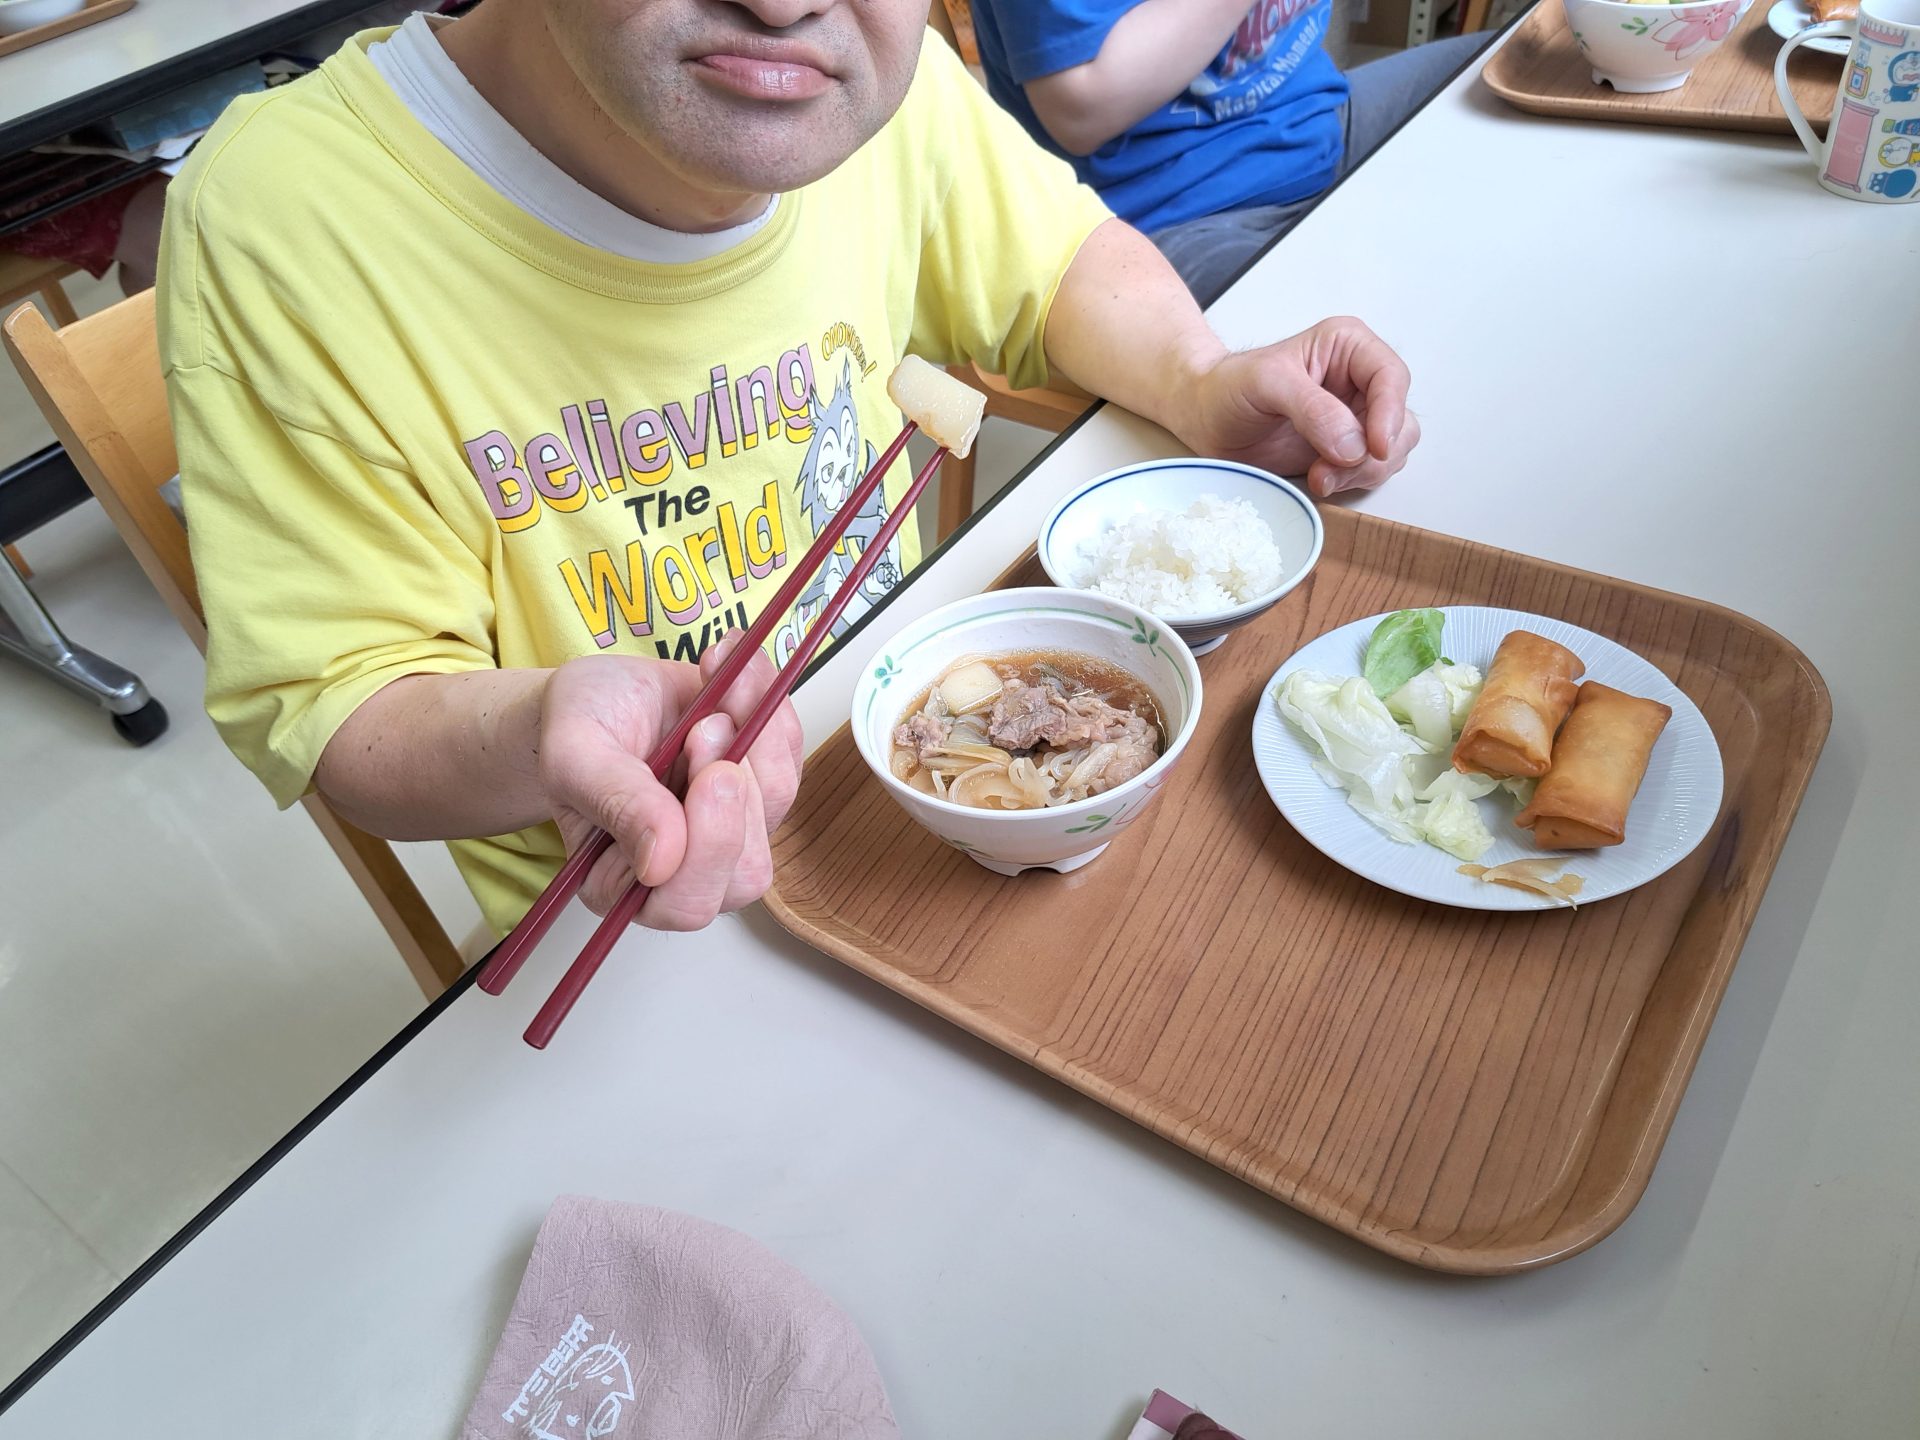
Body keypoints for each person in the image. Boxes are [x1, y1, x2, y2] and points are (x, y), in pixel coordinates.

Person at [159, 0, 1421, 941]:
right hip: (642, 923)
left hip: (930, 797)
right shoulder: (293, 212)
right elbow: (345, 709)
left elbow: (1055, 264)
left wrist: (1199, 376)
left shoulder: (876, 84)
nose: (784, 3)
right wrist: (540, 733)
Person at [967, 0, 1493, 301]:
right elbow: (1081, 109)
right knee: (1372, 344)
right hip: (1162, 221)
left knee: (1525, 60)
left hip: (1320, 119)